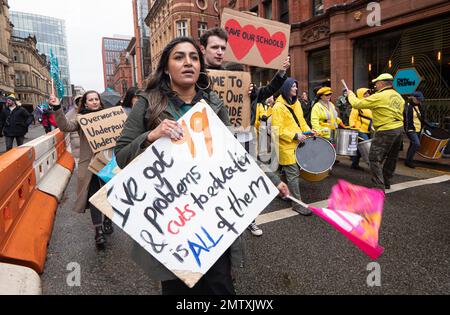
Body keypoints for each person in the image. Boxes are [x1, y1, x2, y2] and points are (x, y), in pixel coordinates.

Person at [114, 37, 289, 295]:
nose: (188, 63)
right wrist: (151, 136)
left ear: (200, 66)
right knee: (179, 289)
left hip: (211, 212)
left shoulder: (214, 104)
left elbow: (234, 153)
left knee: (220, 286)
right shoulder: (148, 103)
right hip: (171, 218)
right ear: (165, 68)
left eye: (194, 57)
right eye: (179, 57)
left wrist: (273, 180)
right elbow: (121, 155)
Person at [200, 27, 290, 237]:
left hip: (245, 140)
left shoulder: (252, 91)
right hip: (219, 142)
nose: (238, 79)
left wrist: (281, 72)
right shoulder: (209, 85)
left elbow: (270, 90)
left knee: (245, 183)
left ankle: (250, 220)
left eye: (241, 76)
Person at [48, 91, 114, 248]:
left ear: (100, 101)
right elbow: (65, 126)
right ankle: (98, 232)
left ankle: (108, 220)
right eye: (90, 100)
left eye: (96, 99)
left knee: (109, 195)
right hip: (89, 165)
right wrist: (57, 107)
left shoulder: (110, 117)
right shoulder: (80, 119)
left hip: (108, 163)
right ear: (85, 103)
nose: (94, 102)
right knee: (93, 198)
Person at [347, 73, 405, 191]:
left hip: (385, 130)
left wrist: (351, 95)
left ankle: (378, 187)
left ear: (382, 83)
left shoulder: (380, 96)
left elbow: (356, 104)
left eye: (377, 83)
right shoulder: (398, 96)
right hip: (399, 129)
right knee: (392, 157)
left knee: (374, 158)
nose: (375, 85)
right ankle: (387, 181)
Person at [271, 78, 314, 216]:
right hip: (286, 145)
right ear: (286, 88)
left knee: (285, 172)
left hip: (298, 144)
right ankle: (297, 204)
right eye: (293, 87)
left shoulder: (297, 104)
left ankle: (281, 192)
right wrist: (295, 136)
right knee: (293, 174)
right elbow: (276, 129)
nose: (296, 89)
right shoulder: (278, 107)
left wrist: (309, 131)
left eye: (296, 86)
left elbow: (302, 122)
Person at [404, 91, 430, 168]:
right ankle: (409, 161)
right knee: (416, 144)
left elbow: (422, 118)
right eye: (418, 99)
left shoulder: (420, 105)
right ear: (413, 98)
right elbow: (406, 119)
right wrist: (408, 128)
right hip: (411, 129)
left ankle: (408, 160)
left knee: (412, 144)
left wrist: (427, 125)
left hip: (418, 129)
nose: (419, 101)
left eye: (420, 99)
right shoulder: (408, 106)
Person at [349, 88, 373, 170]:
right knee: (367, 148)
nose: (367, 95)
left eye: (368, 93)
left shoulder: (369, 104)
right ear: (360, 95)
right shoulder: (357, 105)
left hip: (368, 130)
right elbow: (352, 118)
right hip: (360, 130)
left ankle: (354, 164)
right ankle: (373, 167)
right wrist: (354, 128)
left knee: (360, 148)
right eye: (365, 94)